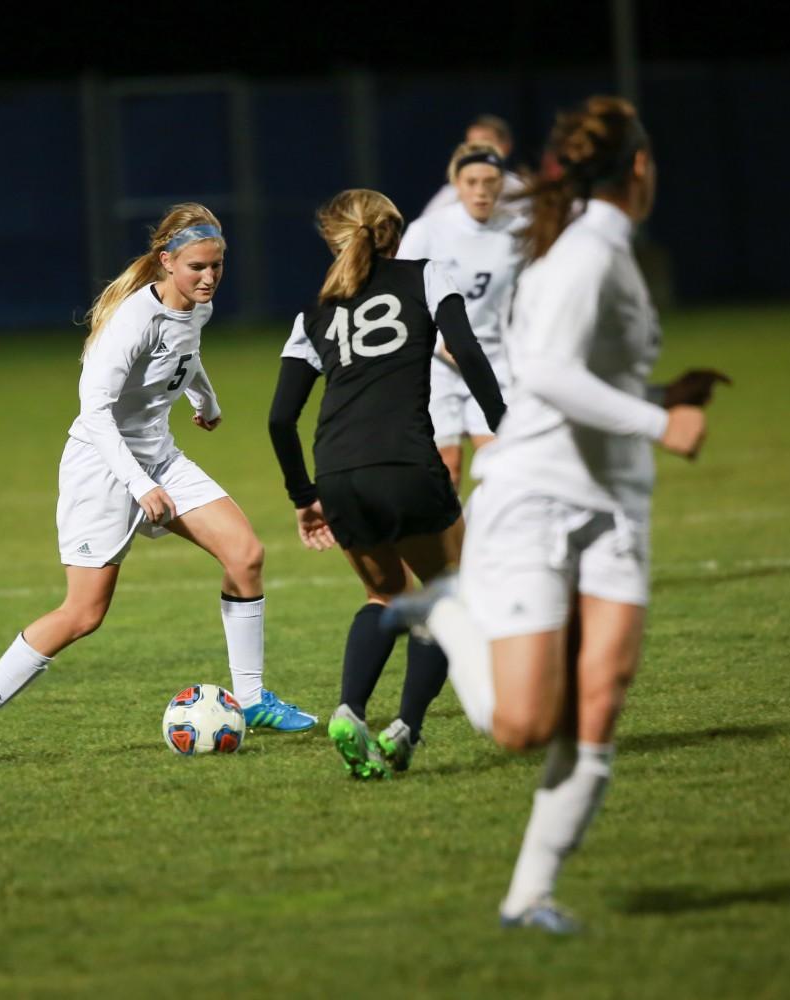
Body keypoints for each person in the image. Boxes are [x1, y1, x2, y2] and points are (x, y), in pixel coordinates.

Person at [387, 97, 727, 930]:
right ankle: (451, 612)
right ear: (640, 168)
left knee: (600, 697)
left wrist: (653, 391)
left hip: (612, 501)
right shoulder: (586, 253)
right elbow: (542, 371)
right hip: (536, 496)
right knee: (520, 726)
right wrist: (660, 423)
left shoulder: (600, 248)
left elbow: (580, 373)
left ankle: (528, 896)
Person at [0, 203, 316, 769]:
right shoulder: (130, 324)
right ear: (166, 262)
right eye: (197, 267)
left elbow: (185, 354)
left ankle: (252, 697)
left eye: (217, 265)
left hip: (157, 456)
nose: (210, 277)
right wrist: (140, 486)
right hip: (102, 467)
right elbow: (94, 412)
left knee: (245, 554)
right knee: (83, 614)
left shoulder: (195, 305)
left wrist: (203, 400)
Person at [267, 189, 505, 779]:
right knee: (450, 594)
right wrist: (510, 428)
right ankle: (405, 729)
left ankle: (349, 709)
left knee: (383, 596)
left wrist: (305, 497)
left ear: (334, 239)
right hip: (404, 464)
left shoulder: (314, 312)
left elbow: (279, 419)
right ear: (394, 233)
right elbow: (467, 351)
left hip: (339, 472)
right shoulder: (428, 275)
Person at [398, 142, 525, 489]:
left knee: (501, 467)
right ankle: (452, 545)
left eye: (489, 181)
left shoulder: (518, 231)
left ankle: (492, 543)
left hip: (492, 360)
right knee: (447, 469)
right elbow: (400, 292)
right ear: (456, 183)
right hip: (436, 364)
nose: (481, 191)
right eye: (471, 182)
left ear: (502, 183)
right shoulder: (428, 230)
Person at [421, 114, 527, 218]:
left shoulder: (521, 192)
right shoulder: (451, 193)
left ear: (506, 146)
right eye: (472, 143)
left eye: (485, 142)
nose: (477, 150)